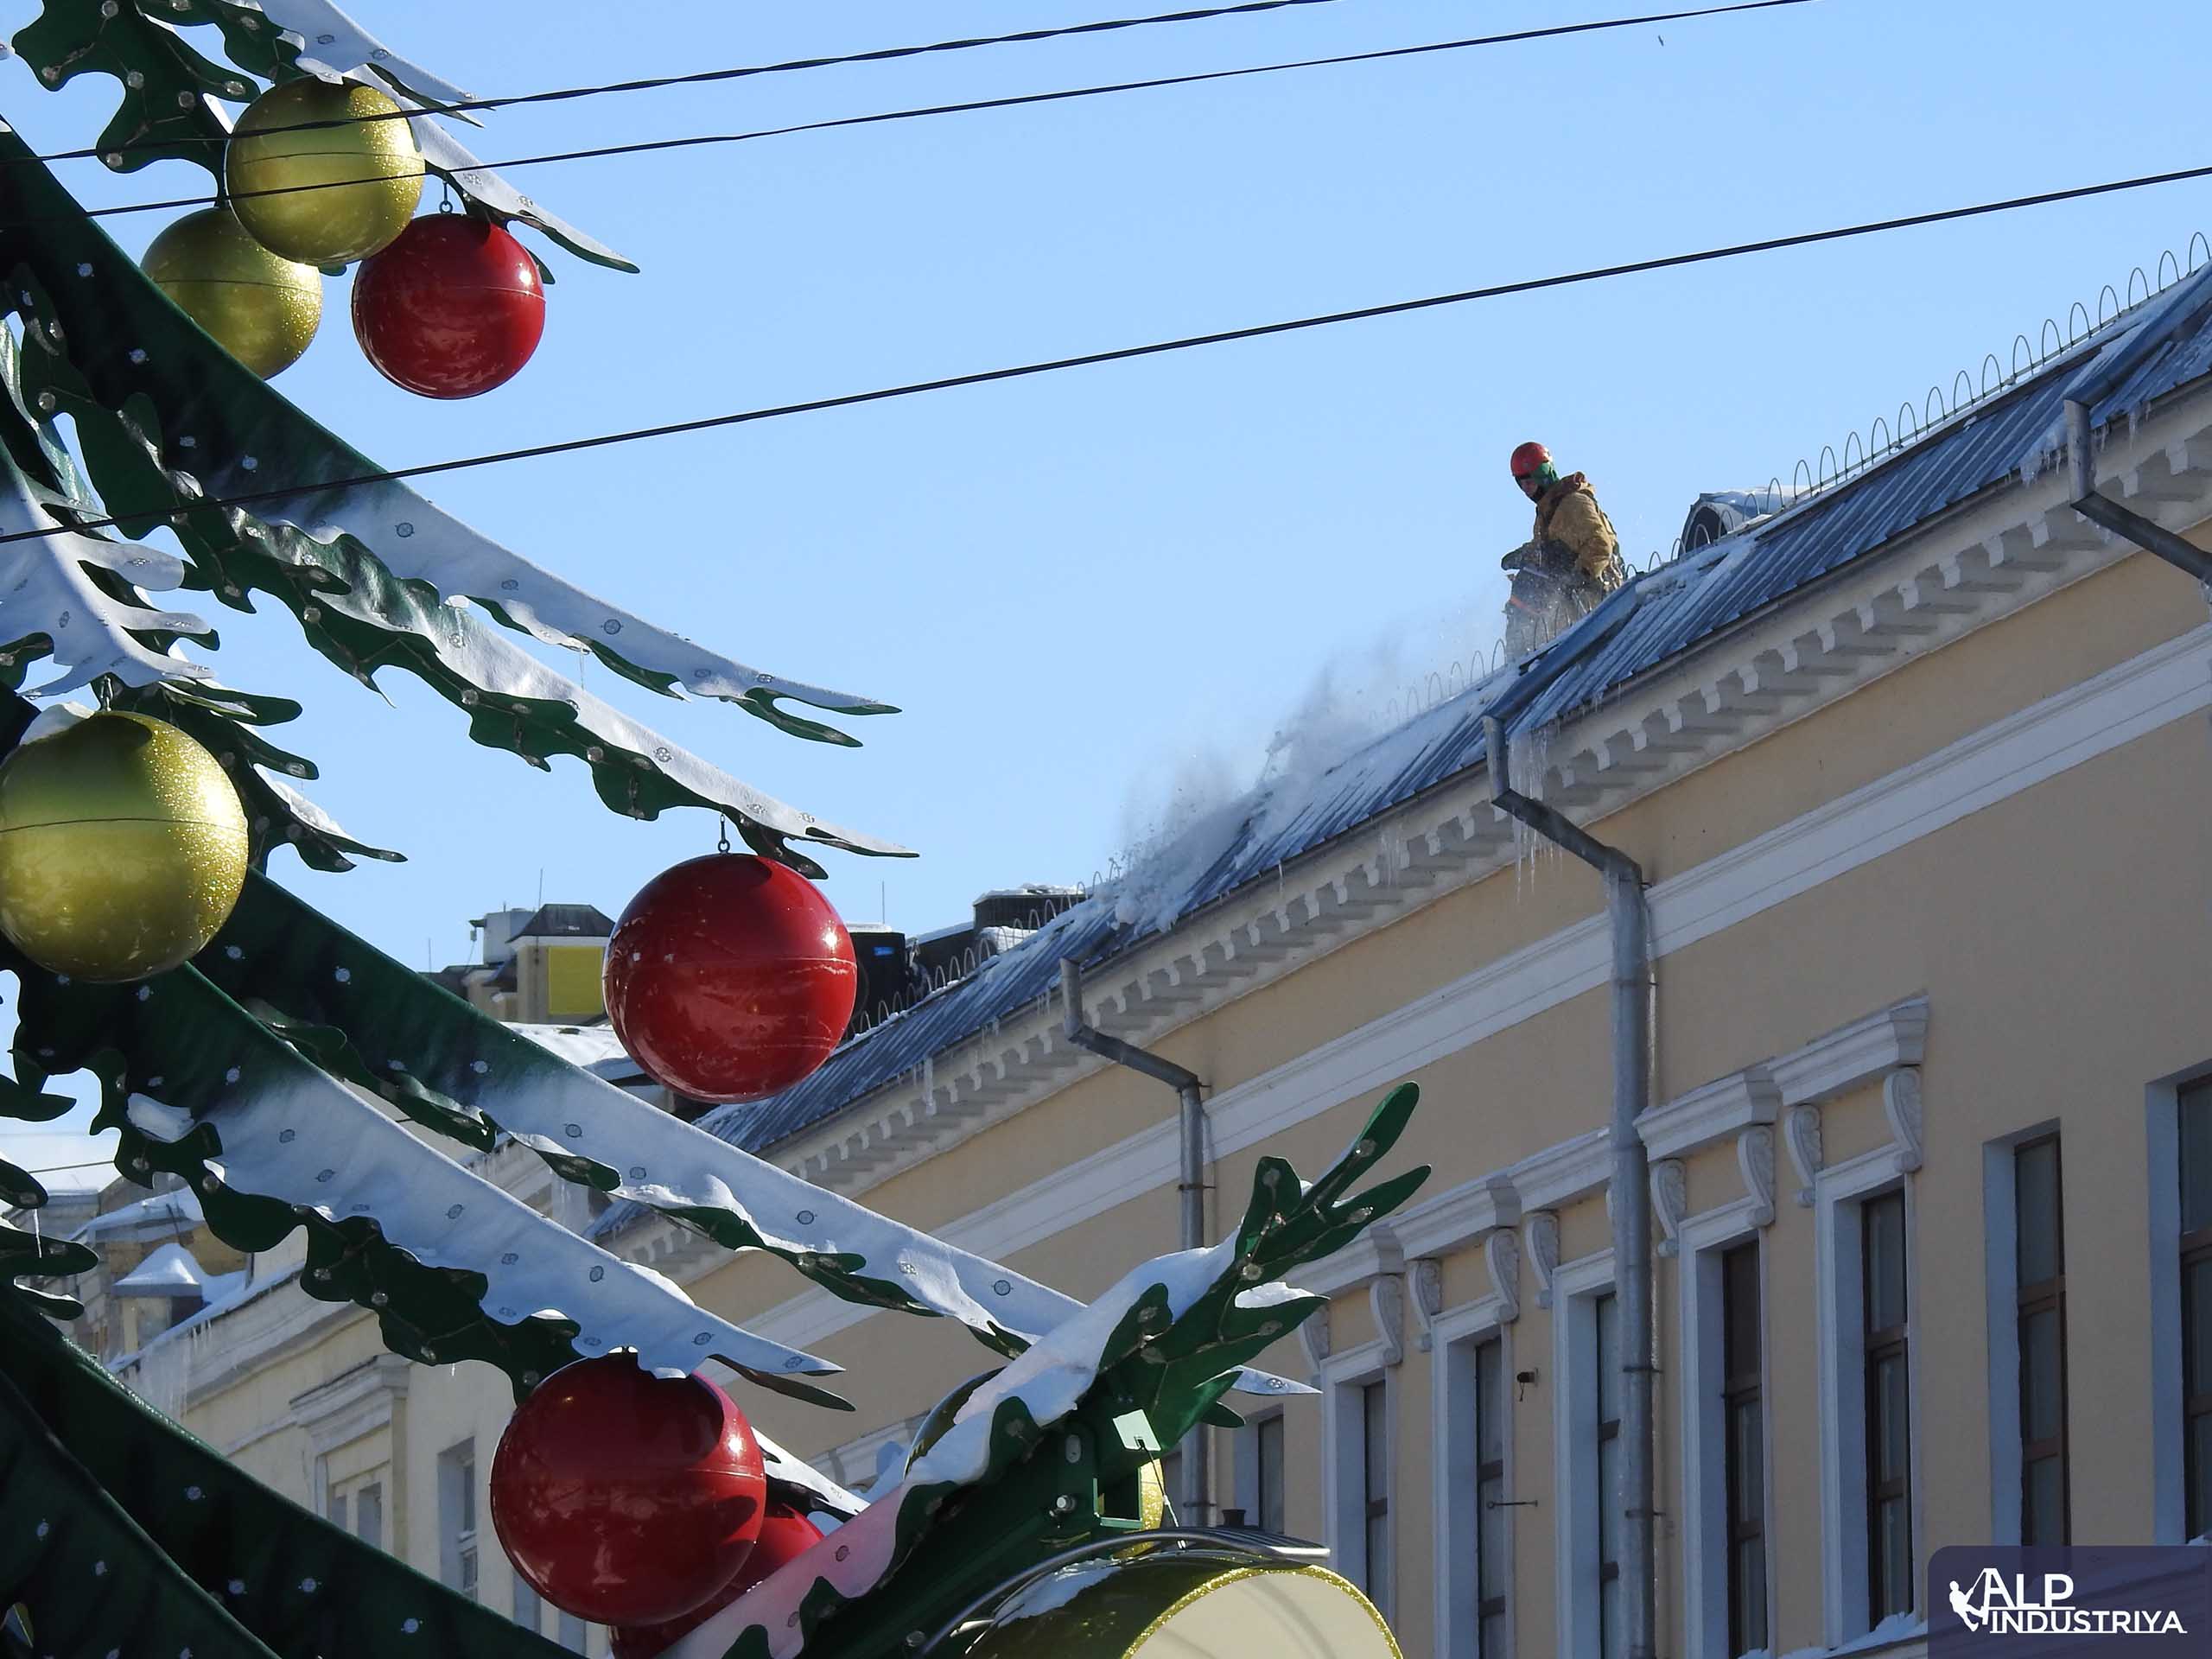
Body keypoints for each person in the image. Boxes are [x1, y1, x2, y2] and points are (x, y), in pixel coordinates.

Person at [1500, 441, 1629, 656]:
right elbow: (1548, 549)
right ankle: (1523, 651)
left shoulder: (1573, 503)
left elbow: (1600, 545)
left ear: (1542, 475)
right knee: (1527, 583)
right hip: (1570, 600)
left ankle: (1523, 651)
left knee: (1527, 585)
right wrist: (1525, 555)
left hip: (1596, 595)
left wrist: (1579, 576)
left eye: (1529, 483)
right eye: (1521, 485)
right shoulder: (1547, 510)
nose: (1526, 491)